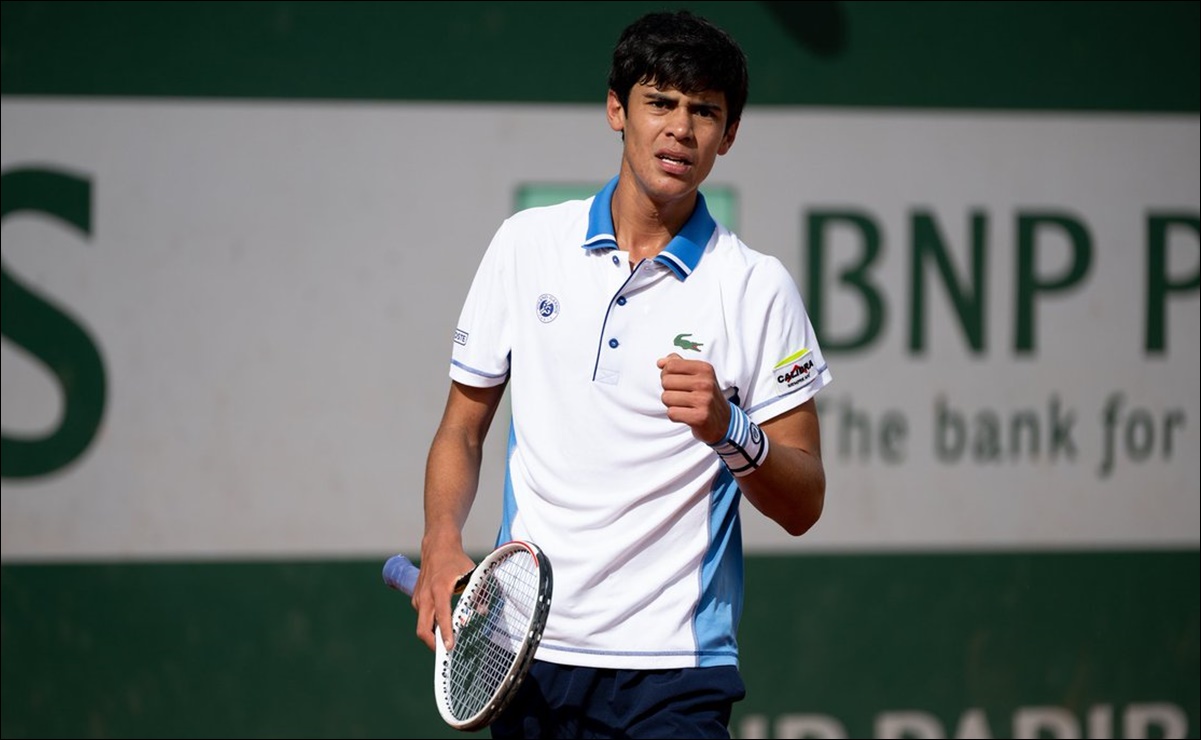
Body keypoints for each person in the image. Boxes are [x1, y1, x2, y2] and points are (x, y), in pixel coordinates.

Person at [411, 9, 832, 738]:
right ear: (616, 109)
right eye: (659, 102)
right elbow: (462, 430)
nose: (680, 128)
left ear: (728, 136)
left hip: (673, 670)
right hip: (528, 657)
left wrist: (728, 429)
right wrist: (442, 539)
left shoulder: (756, 287)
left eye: (704, 111)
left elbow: (803, 501)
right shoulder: (525, 246)